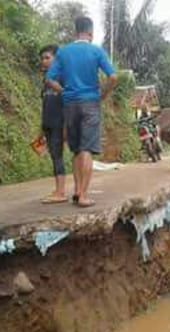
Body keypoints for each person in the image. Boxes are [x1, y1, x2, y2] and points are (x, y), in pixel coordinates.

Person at [46, 16, 116, 208]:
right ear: (91, 33)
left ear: (74, 31)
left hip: (70, 104)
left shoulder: (63, 52)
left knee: (76, 149)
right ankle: (84, 196)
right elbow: (112, 77)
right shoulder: (96, 51)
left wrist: (65, 91)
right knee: (86, 149)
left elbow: (50, 79)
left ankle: (77, 191)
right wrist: (102, 94)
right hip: (90, 103)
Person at [39, 44, 67, 204]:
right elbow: (44, 103)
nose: (44, 61)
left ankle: (61, 191)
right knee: (54, 156)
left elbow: (67, 103)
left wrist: (66, 126)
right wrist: (41, 127)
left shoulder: (63, 78)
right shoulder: (46, 80)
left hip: (59, 123)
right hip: (48, 123)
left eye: (47, 58)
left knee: (57, 156)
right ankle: (58, 189)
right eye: (42, 58)